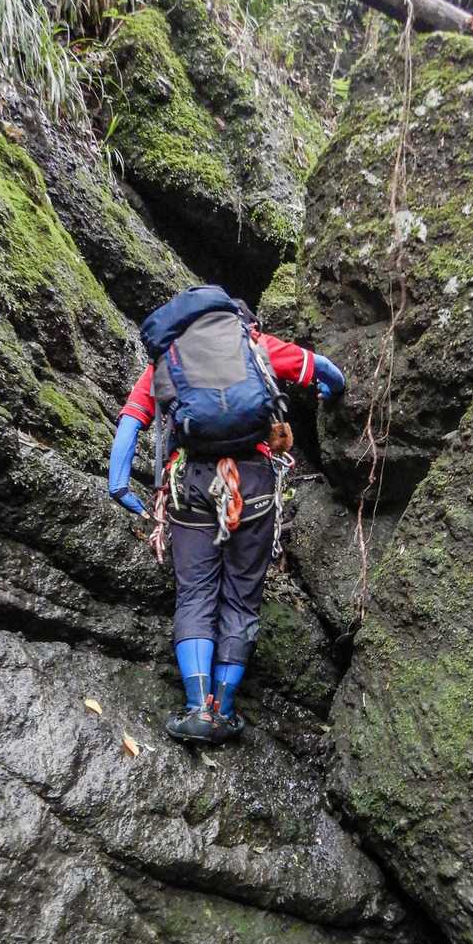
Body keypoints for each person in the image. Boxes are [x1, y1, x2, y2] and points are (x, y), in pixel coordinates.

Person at [108, 295, 345, 745]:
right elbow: (326, 370)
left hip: (191, 486)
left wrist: (120, 485)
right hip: (254, 489)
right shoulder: (255, 345)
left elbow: (132, 422)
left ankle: (198, 708)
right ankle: (226, 709)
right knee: (241, 600)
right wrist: (331, 393)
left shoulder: (170, 358)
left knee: (195, 595)